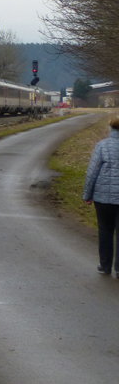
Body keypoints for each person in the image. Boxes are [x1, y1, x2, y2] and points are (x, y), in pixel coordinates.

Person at [83, 116, 119, 274]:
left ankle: (105, 266)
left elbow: (92, 173)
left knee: (105, 230)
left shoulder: (102, 146)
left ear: (111, 128)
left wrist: (87, 194)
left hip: (103, 197)